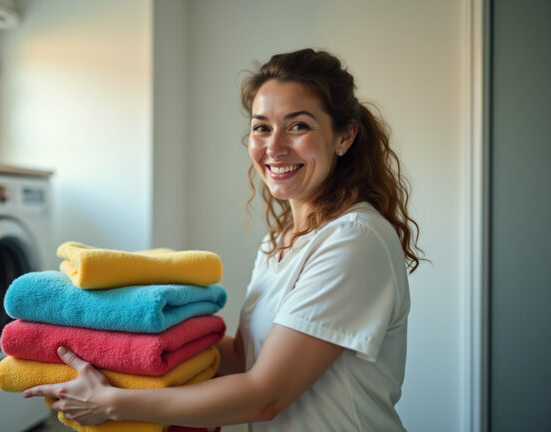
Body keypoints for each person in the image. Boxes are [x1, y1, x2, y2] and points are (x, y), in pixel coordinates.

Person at [22, 48, 423, 431]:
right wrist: (120, 351)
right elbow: (240, 358)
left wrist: (112, 403)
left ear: (344, 137)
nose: (275, 146)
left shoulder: (353, 240)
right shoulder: (281, 240)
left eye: (298, 126)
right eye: (261, 128)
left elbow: (265, 395)